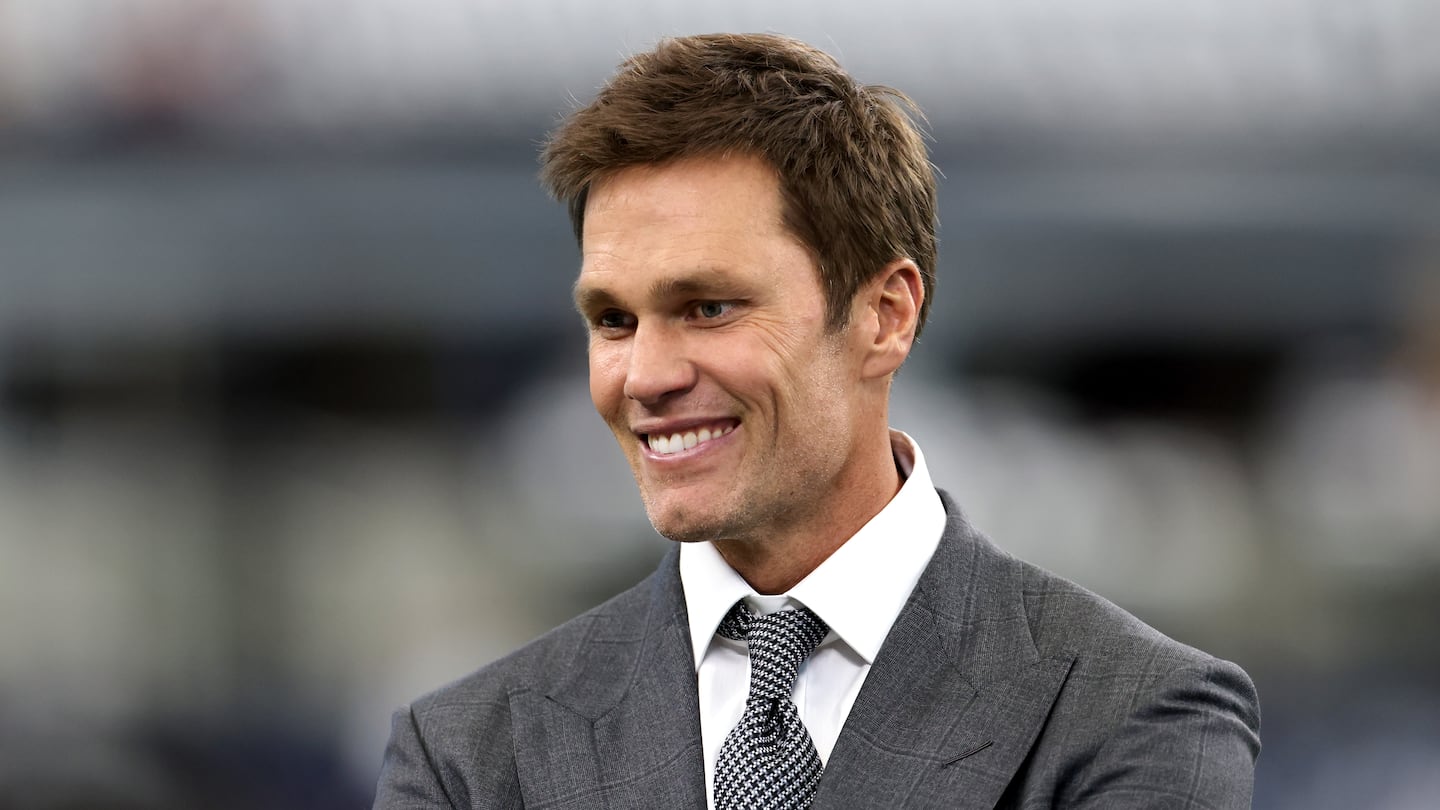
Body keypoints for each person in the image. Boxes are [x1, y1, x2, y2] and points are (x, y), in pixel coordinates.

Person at [373, 33, 1260, 809]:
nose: (644, 375)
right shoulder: (466, 755)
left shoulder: (1135, 715)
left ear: (885, 316)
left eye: (710, 307)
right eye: (613, 320)